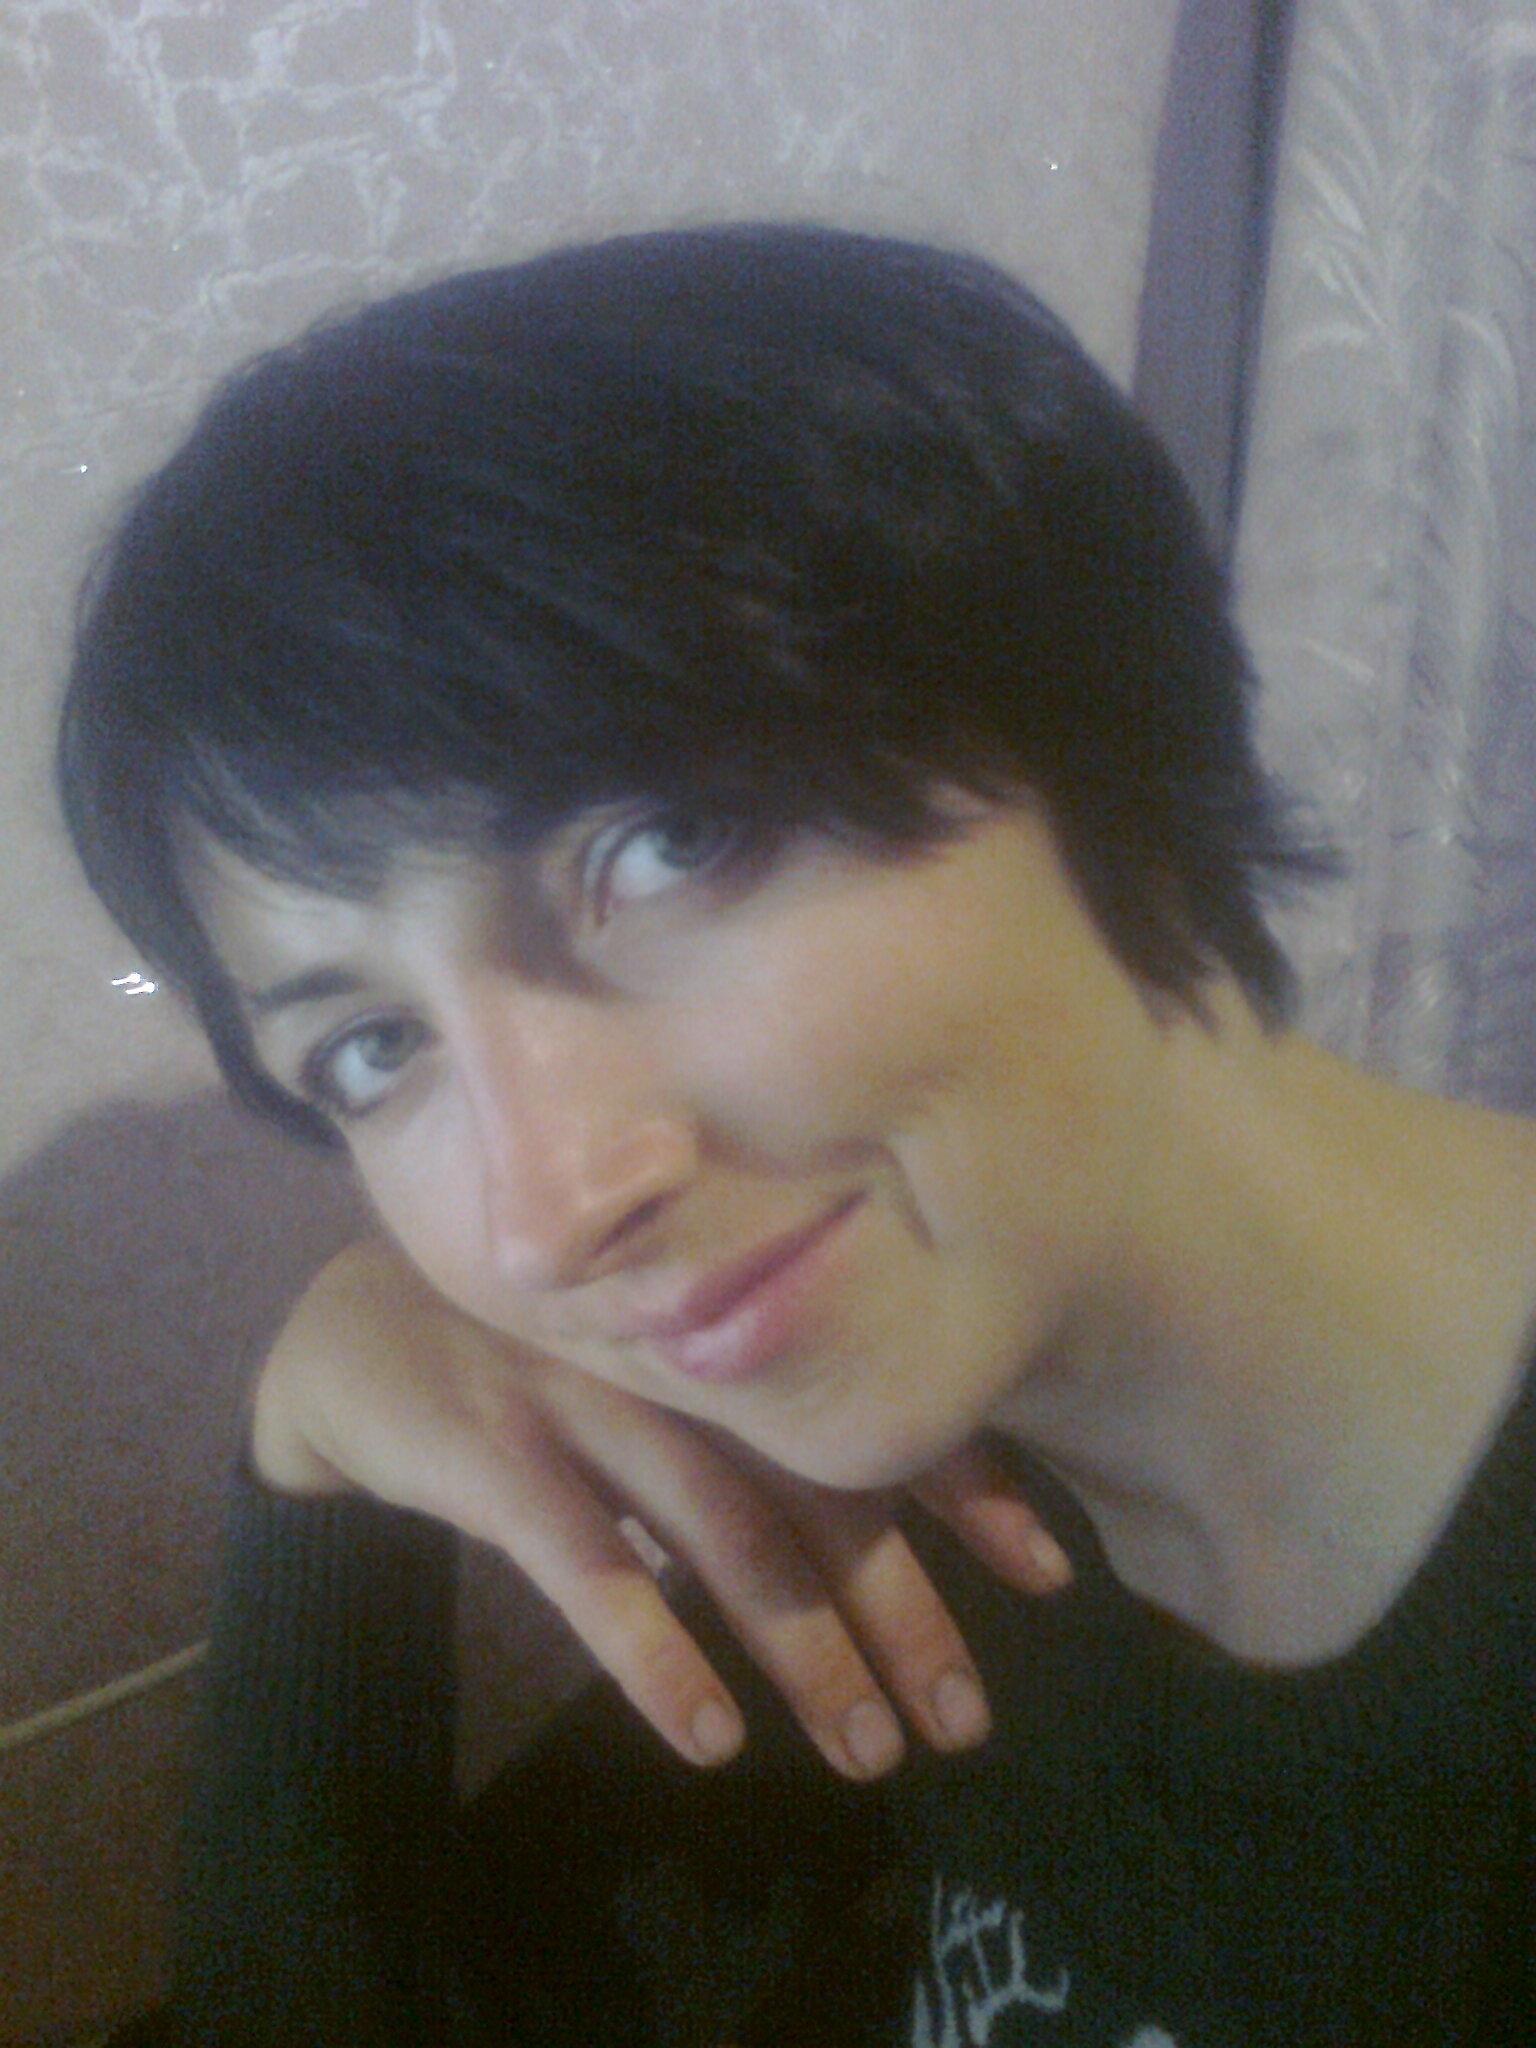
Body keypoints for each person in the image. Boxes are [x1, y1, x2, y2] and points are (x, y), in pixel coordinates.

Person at [58, 225, 1532, 2045]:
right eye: (372, 1050)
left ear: (1084, 690)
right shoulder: (875, 1482)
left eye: (664, 845)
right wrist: (316, 1485)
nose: (543, 1217)